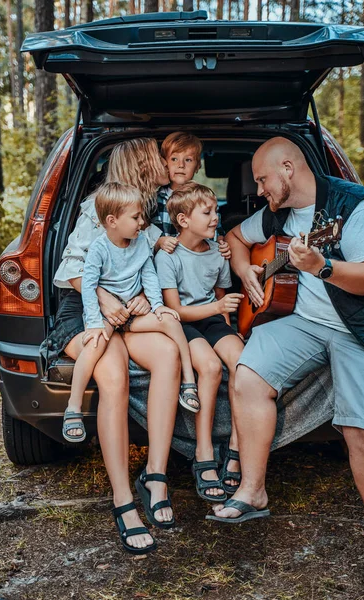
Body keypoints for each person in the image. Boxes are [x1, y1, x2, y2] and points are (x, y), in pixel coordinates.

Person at [207, 136, 364, 530]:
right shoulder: (275, 213)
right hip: (300, 322)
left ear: (288, 169)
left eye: (262, 180)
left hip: (353, 327)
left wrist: (322, 267)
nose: (259, 190)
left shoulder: (352, 208)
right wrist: (246, 270)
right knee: (247, 377)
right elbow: (235, 238)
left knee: (361, 432)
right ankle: (252, 490)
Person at [45, 138, 182, 554]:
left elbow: (147, 264)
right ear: (141, 164)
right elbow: (70, 268)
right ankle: (123, 502)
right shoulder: (97, 209)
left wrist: (142, 296)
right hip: (86, 308)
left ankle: (154, 476)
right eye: (158, 157)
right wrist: (105, 299)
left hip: (128, 310)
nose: (165, 163)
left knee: (169, 354)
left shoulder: (147, 211)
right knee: (114, 377)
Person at [62, 181, 200, 438]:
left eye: (142, 216)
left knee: (171, 322)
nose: (142, 223)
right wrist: (93, 323)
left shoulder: (140, 244)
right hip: (107, 314)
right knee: (95, 345)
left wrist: (157, 306)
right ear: (113, 221)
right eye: (136, 217)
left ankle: (189, 382)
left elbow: (148, 275)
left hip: (134, 313)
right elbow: (90, 289)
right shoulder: (99, 250)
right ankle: (73, 407)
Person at [155, 181, 245, 502]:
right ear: (183, 220)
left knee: (243, 364)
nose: (215, 218)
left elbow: (220, 299)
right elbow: (176, 309)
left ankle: (236, 447)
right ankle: (203, 451)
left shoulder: (218, 251)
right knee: (209, 367)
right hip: (182, 323)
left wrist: (228, 331)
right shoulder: (169, 257)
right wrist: (219, 308)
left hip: (211, 318)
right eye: (207, 212)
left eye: (216, 211)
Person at [152, 131, 231, 259]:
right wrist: (159, 242)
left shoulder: (206, 198)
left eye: (188, 160)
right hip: (169, 263)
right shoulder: (156, 200)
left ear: (197, 166)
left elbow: (217, 231)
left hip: (199, 260)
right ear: (164, 164)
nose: (181, 165)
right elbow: (150, 236)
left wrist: (222, 244)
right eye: (174, 159)